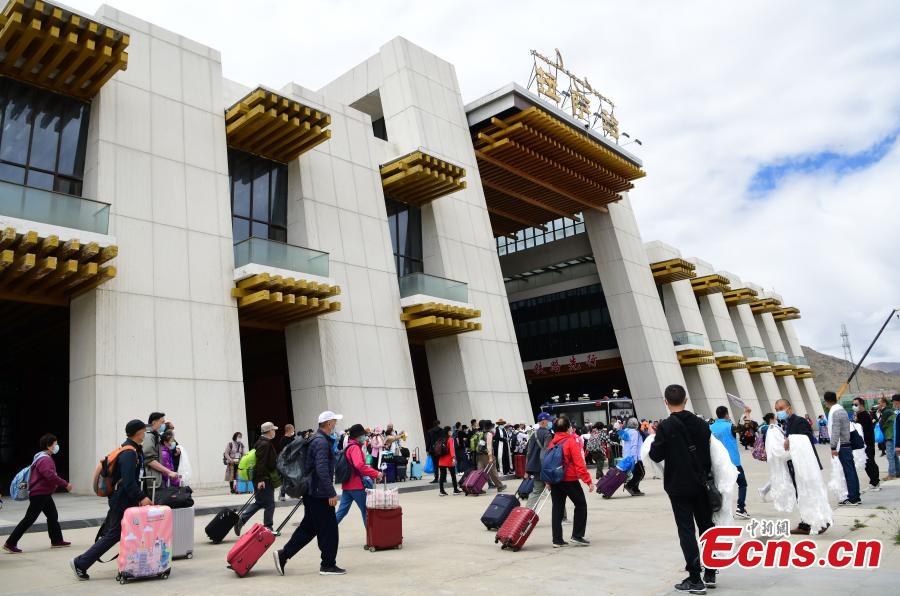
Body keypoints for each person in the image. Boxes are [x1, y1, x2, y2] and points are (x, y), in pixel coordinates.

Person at [649, 384, 717, 593]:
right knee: (706, 526)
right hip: (701, 483)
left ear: (666, 402)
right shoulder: (701, 424)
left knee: (686, 529)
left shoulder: (666, 427)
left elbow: (655, 455)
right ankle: (711, 572)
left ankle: (695, 579)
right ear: (686, 400)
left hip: (678, 485)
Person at [70, 420, 150, 580]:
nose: (145, 434)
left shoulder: (133, 449)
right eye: (144, 431)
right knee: (114, 534)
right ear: (138, 432)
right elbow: (128, 482)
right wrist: (142, 497)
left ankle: (132, 564)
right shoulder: (129, 453)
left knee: (121, 532)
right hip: (122, 501)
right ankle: (81, 562)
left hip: (123, 499)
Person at [274, 411, 345, 576]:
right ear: (328, 424)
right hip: (320, 494)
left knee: (308, 529)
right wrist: (331, 493)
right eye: (334, 421)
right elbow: (321, 469)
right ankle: (327, 565)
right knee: (329, 530)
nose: (335, 424)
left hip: (312, 492)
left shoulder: (315, 439)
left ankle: (283, 555)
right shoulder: (321, 442)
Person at [4, 434, 73, 553]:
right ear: (48, 446)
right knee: (29, 519)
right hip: (39, 494)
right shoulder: (45, 459)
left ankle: (57, 540)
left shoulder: (40, 457)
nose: (57, 446)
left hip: (44, 493)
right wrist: (65, 484)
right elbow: (50, 476)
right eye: (55, 444)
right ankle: (10, 543)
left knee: (52, 516)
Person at [774, 399, 830, 535]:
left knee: (811, 492)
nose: (779, 411)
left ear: (789, 407)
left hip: (806, 465)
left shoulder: (799, 421)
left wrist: (790, 439)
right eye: (777, 409)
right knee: (801, 494)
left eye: (781, 408)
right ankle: (806, 523)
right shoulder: (785, 424)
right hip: (795, 464)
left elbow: (807, 438)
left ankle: (822, 521)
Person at [546, 416, 594, 548]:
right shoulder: (571, 441)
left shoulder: (552, 442)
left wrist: (548, 481)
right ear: (568, 428)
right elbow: (579, 463)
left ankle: (557, 540)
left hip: (555, 480)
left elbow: (547, 463)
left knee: (557, 508)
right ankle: (577, 536)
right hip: (570, 479)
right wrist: (588, 481)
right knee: (581, 505)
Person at [236, 422, 280, 535]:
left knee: (260, 502)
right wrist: (261, 480)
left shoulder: (261, 442)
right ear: (269, 431)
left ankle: (241, 521)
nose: (274, 432)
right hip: (263, 478)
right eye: (273, 430)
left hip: (261, 477)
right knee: (269, 504)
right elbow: (261, 463)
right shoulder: (265, 444)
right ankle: (268, 527)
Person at [336, 424, 381, 527]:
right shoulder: (355, 448)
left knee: (341, 512)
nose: (364, 437)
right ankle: (372, 538)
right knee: (366, 511)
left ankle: (326, 532)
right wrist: (376, 473)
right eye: (363, 435)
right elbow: (359, 465)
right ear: (358, 436)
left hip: (347, 485)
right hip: (357, 485)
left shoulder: (349, 446)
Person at [823, 391, 861, 505]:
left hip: (842, 446)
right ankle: (856, 496)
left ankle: (853, 498)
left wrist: (833, 447)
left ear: (826, 401)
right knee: (851, 471)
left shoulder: (835, 412)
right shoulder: (841, 410)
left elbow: (835, 431)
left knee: (849, 472)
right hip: (846, 444)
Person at [710, 406, 749, 518]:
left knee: (722, 487)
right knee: (742, 484)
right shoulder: (730, 426)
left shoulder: (710, 427)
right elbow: (745, 428)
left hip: (718, 463)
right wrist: (747, 414)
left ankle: (725, 511)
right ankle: (740, 508)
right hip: (733, 462)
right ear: (726, 414)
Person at [143, 412, 179, 493]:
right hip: (152, 480)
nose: (164, 425)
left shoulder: (155, 435)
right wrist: (168, 472)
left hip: (156, 479)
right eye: (162, 422)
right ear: (154, 422)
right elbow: (149, 460)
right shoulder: (149, 436)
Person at [525, 413, 554, 508]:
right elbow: (545, 453)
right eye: (549, 420)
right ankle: (562, 517)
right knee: (556, 493)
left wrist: (527, 470)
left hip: (535, 468)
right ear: (544, 421)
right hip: (544, 468)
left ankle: (526, 514)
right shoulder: (547, 434)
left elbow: (529, 452)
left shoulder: (534, 434)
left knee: (536, 492)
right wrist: (546, 470)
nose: (550, 422)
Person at [852, 397, 880, 491]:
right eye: (853, 405)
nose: (854, 406)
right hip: (863, 444)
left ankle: (875, 482)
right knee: (867, 463)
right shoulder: (859, 415)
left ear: (862, 405)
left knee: (870, 462)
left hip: (867, 443)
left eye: (856, 405)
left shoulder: (864, 415)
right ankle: (873, 482)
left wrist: (856, 420)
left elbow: (863, 430)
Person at [477, 420, 506, 492]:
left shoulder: (480, 433)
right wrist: (490, 457)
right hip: (487, 455)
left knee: (480, 472)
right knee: (493, 471)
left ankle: (477, 487)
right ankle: (500, 486)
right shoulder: (489, 434)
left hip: (479, 455)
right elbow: (489, 446)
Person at [619, 418, 645, 496]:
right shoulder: (634, 432)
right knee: (641, 473)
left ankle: (635, 489)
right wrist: (634, 458)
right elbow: (634, 445)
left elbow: (624, 445)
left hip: (627, 456)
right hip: (635, 456)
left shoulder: (625, 431)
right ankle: (630, 486)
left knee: (636, 473)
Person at [436, 426, 461, 496]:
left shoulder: (440, 439)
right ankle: (455, 490)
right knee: (453, 475)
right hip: (449, 460)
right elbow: (452, 449)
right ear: (448, 432)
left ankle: (441, 491)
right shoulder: (450, 439)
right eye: (450, 430)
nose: (451, 432)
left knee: (442, 476)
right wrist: (453, 458)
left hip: (441, 460)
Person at [878, 396, 897, 480]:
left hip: (889, 435)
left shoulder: (886, 412)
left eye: (879, 403)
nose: (878, 404)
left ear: (884, 403)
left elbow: (881, 424)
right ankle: (897, 472)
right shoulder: (889, 411)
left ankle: (891, 474)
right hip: (892, 435)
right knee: (894, 455)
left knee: (890, 456)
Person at [279, 424, 297, 501]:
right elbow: (283, 452)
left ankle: (293, 494)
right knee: (286, 479)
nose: (294, 431)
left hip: (294, 462)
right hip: (286, 462)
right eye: (293, 429)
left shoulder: (294, 438)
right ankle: (282, 494)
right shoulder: (283, 440)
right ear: (289, 430)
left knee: (294, 478)